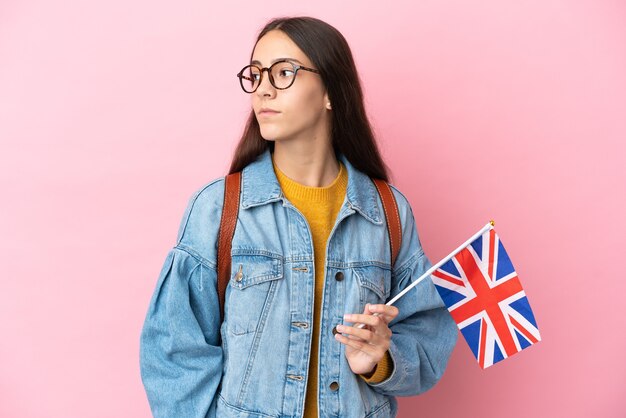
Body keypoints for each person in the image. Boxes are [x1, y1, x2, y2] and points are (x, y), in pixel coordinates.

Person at [140, 16, 457, 418]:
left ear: (330, 92)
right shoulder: (220, 207)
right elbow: (173, 353)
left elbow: (427, 337)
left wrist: (381, 359)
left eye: (284, 72)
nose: (264, 89)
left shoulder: (388, 212)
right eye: (255, 75)